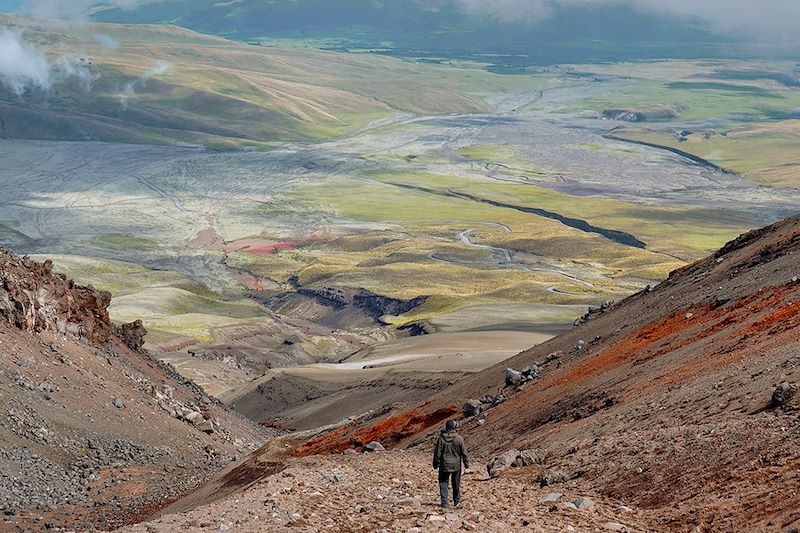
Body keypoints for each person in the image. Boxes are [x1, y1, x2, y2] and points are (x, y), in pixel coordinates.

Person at [432, 419, 469, 508]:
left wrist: (435, 464)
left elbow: (437, 453)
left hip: (444, 465)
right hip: (456, 465)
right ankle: (456, 501)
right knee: (456, 483)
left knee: (443, 482)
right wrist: (466, 464)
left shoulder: (441, 439)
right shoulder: (459, 438)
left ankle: (444, 503)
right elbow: (464, 453)